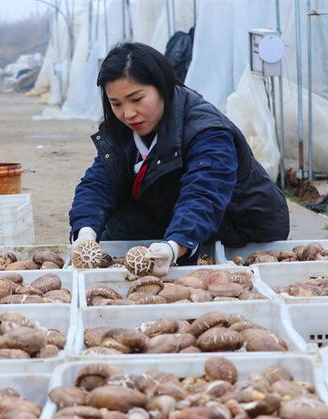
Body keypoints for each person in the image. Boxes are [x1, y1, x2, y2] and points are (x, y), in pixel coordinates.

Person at [69, 42, 289, 276]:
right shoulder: (123, 129)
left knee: (191, 249)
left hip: (238, 224)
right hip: (169, 210)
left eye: (137, 99)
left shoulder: (208, 131)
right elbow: (99, 182)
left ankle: (182, 246)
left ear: (163, 87)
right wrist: (84, 231)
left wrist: (176, 245)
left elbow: (204, 194)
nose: (128, 113)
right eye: (116, 104)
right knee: (110, 230)